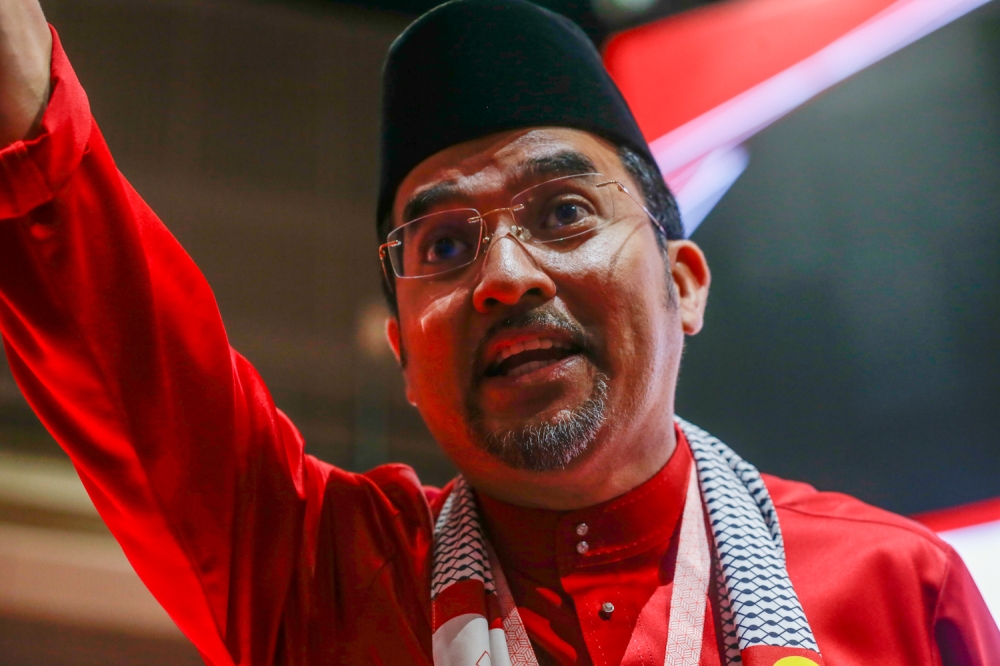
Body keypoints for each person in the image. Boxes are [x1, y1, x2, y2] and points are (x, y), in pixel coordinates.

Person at [1, 0, 997, 664]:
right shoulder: (329, 580)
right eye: (442, 244)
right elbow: (110, 320)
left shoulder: (896, 591)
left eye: (563, 212)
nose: (504, 278)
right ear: (401, 354)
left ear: (683, 283)